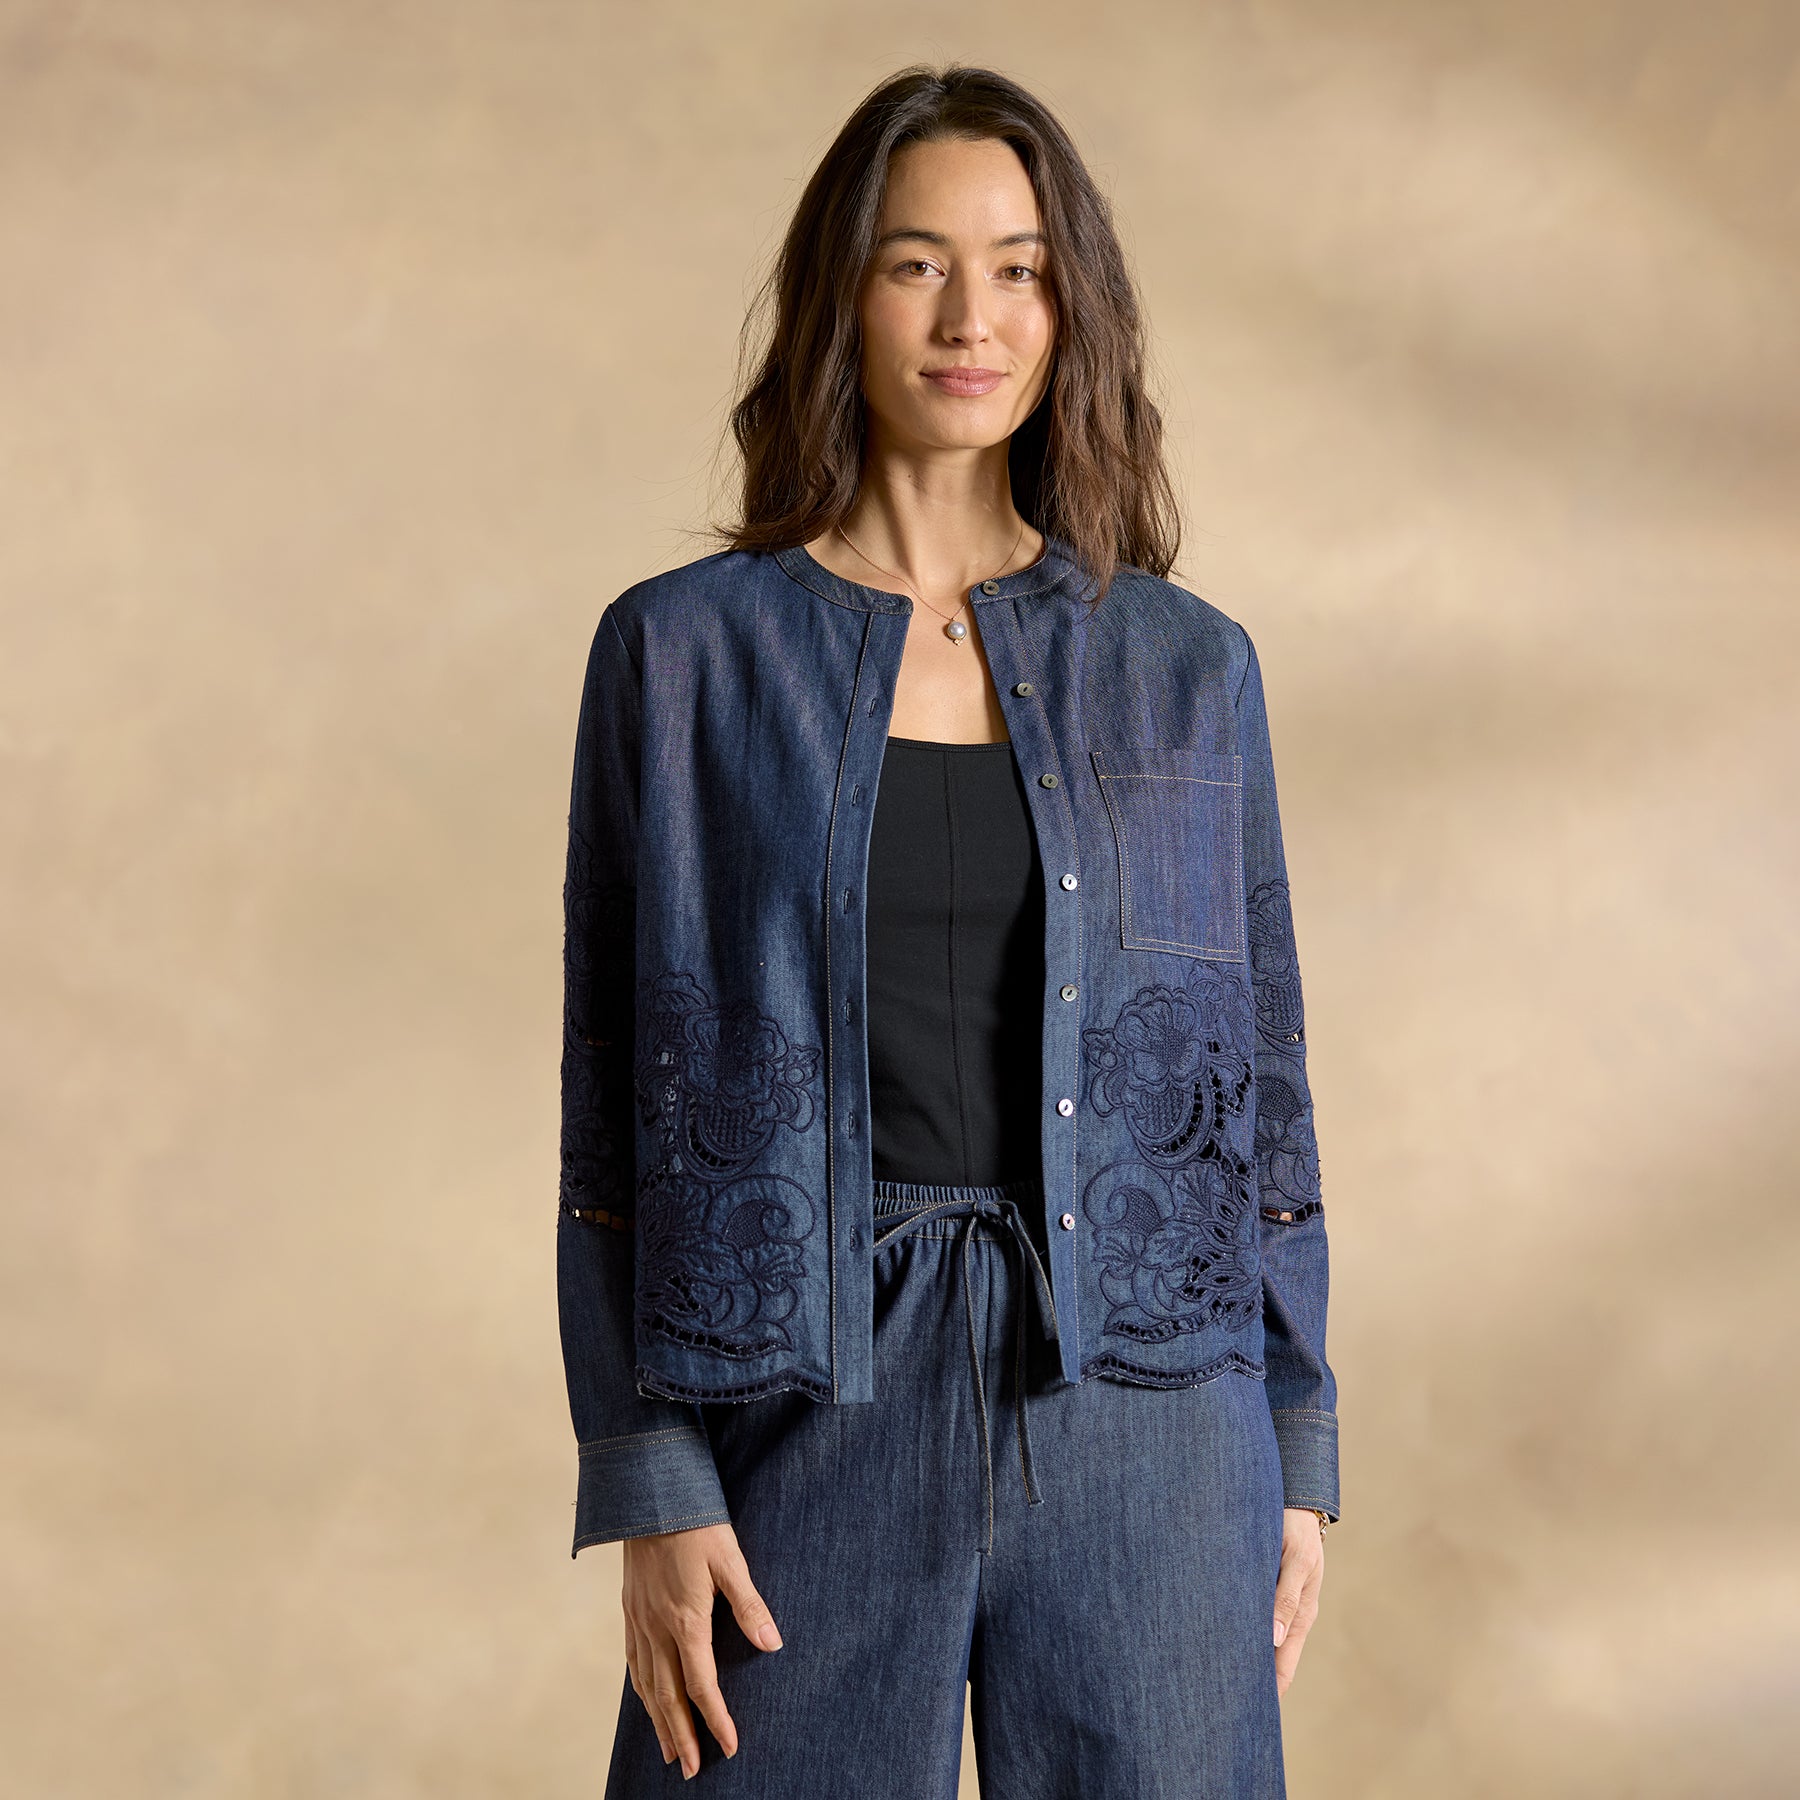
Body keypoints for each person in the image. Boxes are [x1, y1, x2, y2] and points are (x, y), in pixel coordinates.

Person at [556, 63, 1340, 1797]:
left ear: (1073, 307)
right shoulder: (683, 660)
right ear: (843, 294)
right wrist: (650, 1472)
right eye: (917, 264)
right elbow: (612, 1113)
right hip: (801, 1398)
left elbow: (1261, 1087)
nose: (971, 318)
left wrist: (1294, 1439)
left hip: (1147, 1409)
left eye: (1019, 268)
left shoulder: (1187, 669)